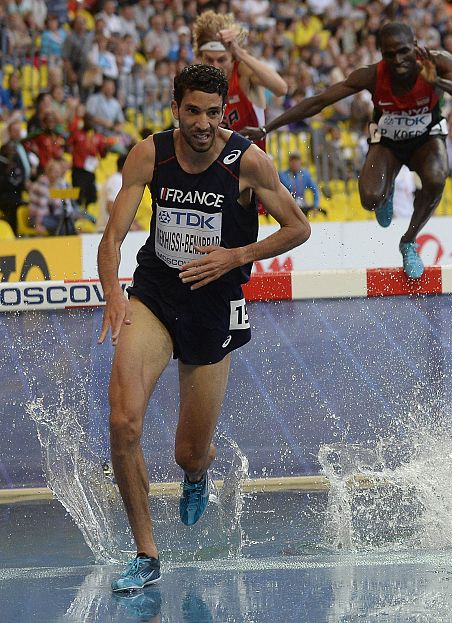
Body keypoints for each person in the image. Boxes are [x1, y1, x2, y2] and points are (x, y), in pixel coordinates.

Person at [97, 64, 310, 592]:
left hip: (213, 306)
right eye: (192, 111)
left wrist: (235, 256)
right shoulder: (150, 154)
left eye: (213, 114)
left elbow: (298, 228)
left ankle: (197, 474)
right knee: (123, 422)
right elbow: (112, 238)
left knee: (188, 453)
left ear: (224, 113)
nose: (202, 124)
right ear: (175, 108)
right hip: (155, 294)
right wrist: (113, 295)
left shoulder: (248, 162)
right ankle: (145, 553)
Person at [253, 21, 452, 279]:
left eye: (403, 51)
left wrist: (437, 81)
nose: (398, 60)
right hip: (388, 142)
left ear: (415, 47)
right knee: (370, 200)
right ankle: (386, 191)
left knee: (437, 179)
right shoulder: (371, 75)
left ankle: (409, 241)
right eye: (389, 54)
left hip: (426, 139)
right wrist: (266, 128)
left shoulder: (438, 62)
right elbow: (319, 102)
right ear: (381, 54)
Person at [193, 10, 288, 153]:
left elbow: (281, 88)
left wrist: (241, 52)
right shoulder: (198, 82)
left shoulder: (243, 73)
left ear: (232, 58)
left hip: (251, 162)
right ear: (200, 57)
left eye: (221, 60)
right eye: (209, 60)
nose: (215, 66)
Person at [279, 152, 324, 217]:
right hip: (287, 205)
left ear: (300, 162)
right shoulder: (282, 175)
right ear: (289, 162)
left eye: (297, 161)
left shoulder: (305, 174)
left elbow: (315, 190)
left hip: (302, 204)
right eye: (293, 161)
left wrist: (315, 206)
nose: (295, 164)